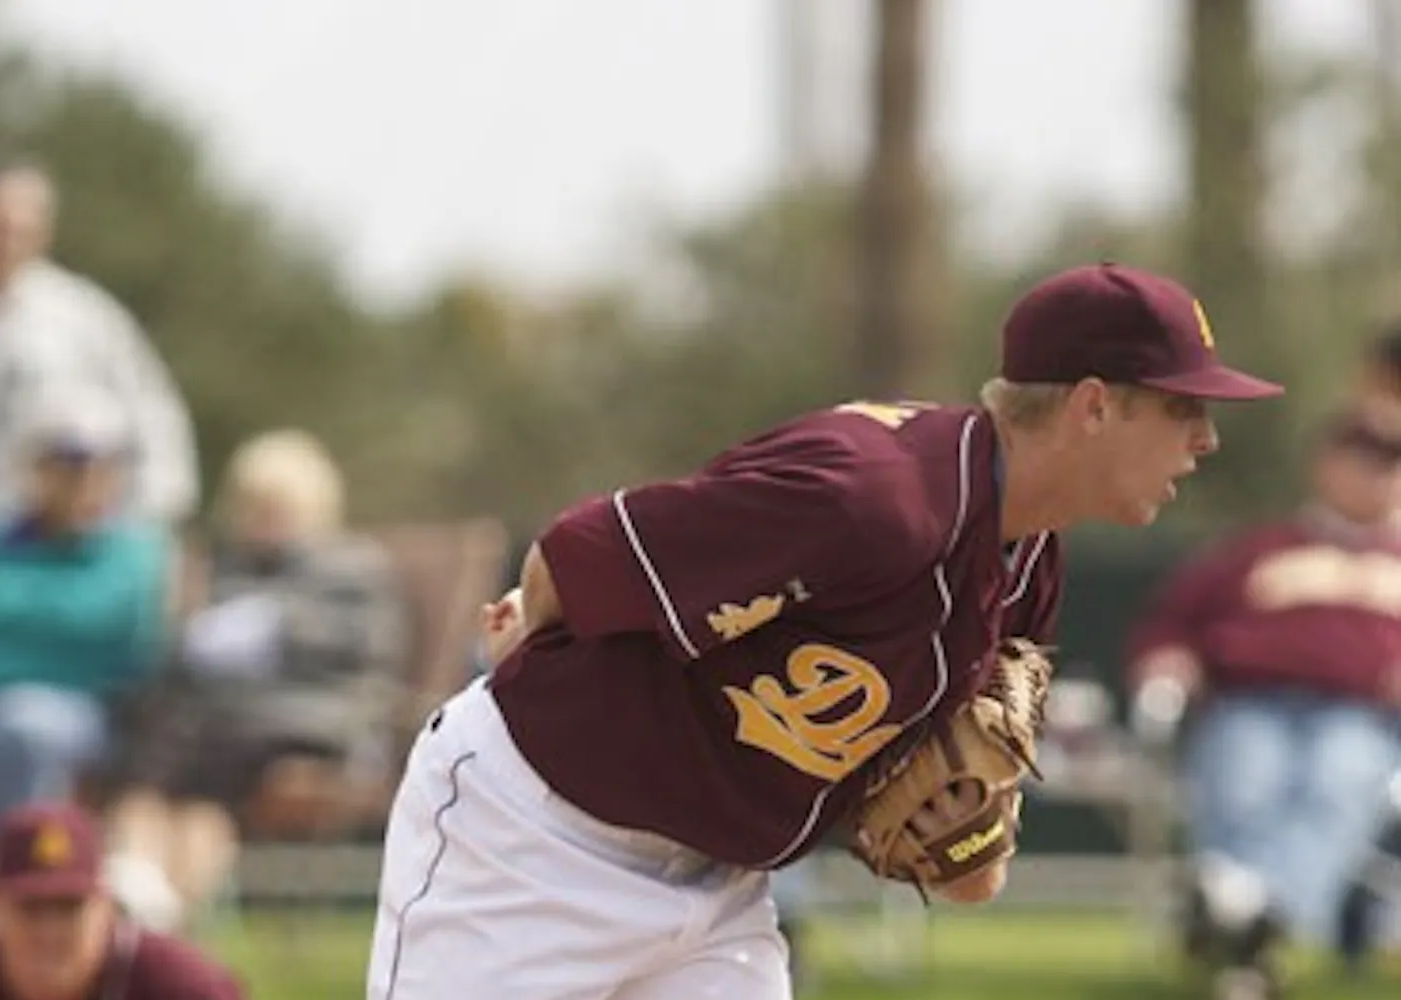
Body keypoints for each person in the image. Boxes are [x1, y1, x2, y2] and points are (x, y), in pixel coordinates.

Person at [364, 262, 1284, 1000]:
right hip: (532, 842)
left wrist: (964, 838)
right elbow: (577, 554)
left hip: (719, 891)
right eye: (1181, 408)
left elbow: (972, 878)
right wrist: (525, 635)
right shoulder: (872, 496)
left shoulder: (1030, 556)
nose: (1204, 440)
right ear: (1092, 405)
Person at [1128, 410, 1401, 997]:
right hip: (1248, 703)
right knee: (1246, 780)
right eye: (1363, 456)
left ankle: (1241, 909)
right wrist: (1169, 659)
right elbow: (1171, 622)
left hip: (1361, 718)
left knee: (1336, 781)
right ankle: (1257, 937)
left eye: (1391, 461)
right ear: (1324, 465)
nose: (1378, 473)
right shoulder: (1257, 549)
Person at [106, 430, 408, 931]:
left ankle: (161, 919)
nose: (265, 520)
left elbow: (371, 650)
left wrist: (283, 626)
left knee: (202, 762)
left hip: (316, 717)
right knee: (161, 761)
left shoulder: (352, 567)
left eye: (278, 507)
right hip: (220, 725)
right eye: (254, 507)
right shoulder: (222, 568)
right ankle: (145, 900)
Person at [0, 394, 171, 932]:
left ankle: (4, 913)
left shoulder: (134, 552)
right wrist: (23, 616)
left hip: (70, 709)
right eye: (62, 463)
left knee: (22, 724)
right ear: (34, 470)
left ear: (112, 475)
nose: (77, 479)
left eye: (90, 466)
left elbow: (107, 632)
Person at [0, 161, 198, 568]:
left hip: (62, 560)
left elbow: (152, 417)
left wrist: (150, 522)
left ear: (43, 233)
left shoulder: (85, 319)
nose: (2, 242)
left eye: (16, 229)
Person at [0, 802, 246, 1000]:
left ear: (106, 906)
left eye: (69, 906)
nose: (49, 930)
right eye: (29, 907)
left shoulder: (173, 983)